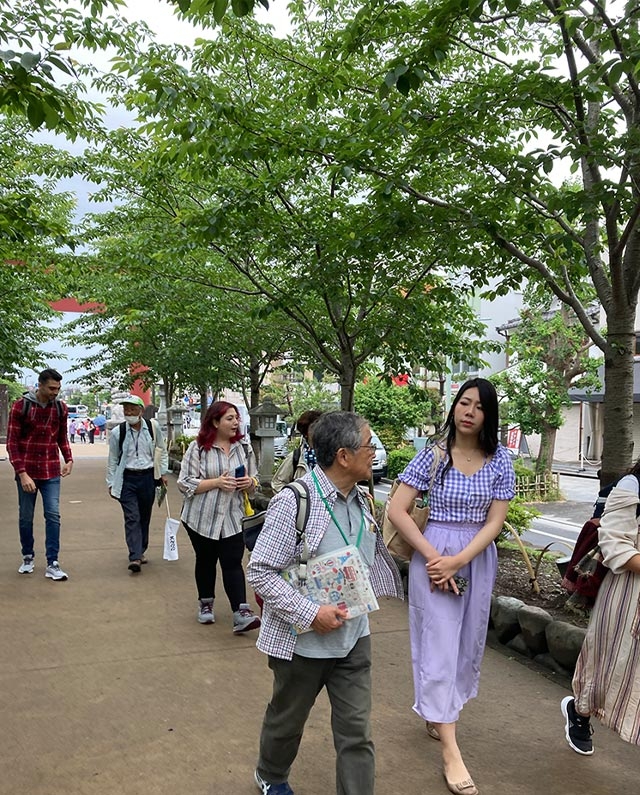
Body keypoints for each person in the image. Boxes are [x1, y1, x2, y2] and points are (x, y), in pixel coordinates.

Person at [248, 411, 404, 795]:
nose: (375, 452)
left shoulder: (362, 500)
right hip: (302, 642)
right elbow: (260, 571)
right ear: (343, 456)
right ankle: (270, 775)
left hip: (353, 637)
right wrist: (310, 613)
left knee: (356, 733)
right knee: (288, 720)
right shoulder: (295, 501)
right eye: (369, 445)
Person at [387, 377, 515, 795]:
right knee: (439, 643)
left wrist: (459, 560)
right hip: (433, 557)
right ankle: (451, 750)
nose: (469, 411)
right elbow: (398, 509)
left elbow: (495, 521)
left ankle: (437, 713)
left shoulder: (500, 461)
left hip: (475, 560)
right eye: (463, 402)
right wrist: (433, 557)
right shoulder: (434, 456)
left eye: (478, 406)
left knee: (465, 644)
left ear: (487, 415)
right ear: (453, 407)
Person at [560, 462, 640, 755]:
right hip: (627, 592)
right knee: (607, 658)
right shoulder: (632, 486)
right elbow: (616, 547)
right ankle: (580, 713)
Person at [177, 400, 262, 633]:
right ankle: (206, 603)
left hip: (233, 517)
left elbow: (254, 480)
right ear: (215, 422)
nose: (236, 423)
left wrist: (249, 483)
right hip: (201, 517)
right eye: (230, 418)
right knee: (206, 561)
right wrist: (217, 482)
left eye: (236, 418)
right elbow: (184, 483)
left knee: (233, 562)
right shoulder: (198, 448)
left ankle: (241, 612)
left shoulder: (244, 447)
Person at [6, 367, 74, 581]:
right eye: (52, 388)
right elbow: (12, 443)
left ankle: (53, 562)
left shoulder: (60, 408)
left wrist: (69, 459)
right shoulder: (21, 406)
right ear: (40, 385)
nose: (55, 392)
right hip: (27, 470)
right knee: (26, 517)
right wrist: (22, 473)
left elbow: (62, 437)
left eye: (58, 389)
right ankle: (28, 556)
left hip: (51, 469)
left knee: (53, 515)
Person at [106, 395, 169, 573]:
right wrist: (110, 482)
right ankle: (134, 556)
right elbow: (112, 459)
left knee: (144, 516)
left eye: (133, 409)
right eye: (126, 410)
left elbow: (161, 451)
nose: (129, 413)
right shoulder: (118, 433)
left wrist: (163, 472)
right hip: (127, 479)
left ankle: (141, 549)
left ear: (141, 411)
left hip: (148, 477)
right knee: (132, 517)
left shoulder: (152, 427)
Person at [271, 409, 323, 493]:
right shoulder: (297, 457)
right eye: (314, 429)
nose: (318, 433)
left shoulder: (334, 456)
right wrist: (295, 499)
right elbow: (277, 483)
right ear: (306, 433)